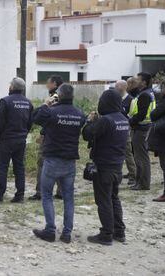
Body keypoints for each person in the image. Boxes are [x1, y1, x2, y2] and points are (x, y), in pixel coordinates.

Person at [32, 84, 86, 243]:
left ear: (59, 96)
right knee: (68, 198)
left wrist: (46, 104)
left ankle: (50, 230)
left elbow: (35, 118)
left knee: (47, 194)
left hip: (52, 159)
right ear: (73, 96)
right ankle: (67, 233)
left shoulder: (51, 112)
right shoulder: (79, 114)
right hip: (69, 161)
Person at [83, 89, 129, 246]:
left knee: (103, 200)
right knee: (113, 198)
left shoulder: (106, 120)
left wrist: (90, 121)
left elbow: (87, 134)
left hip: (104, 166)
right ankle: (119, 231)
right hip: (117, 164)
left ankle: (106, 234)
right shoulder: (123, 119)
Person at [0, 77, 33, 204]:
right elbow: (30, 123)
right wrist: (23, 134)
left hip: (6, 140)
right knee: (19, 167)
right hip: (21, 140)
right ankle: (20, 195)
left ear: (11, 87)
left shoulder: (5, 101)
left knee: (3, 167)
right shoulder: (28, 103)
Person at [29, 75, 63, 201]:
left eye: (48, 83)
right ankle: (61, 191)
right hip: (62, 136)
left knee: (43, 163)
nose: (46, 85)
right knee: (60, 162)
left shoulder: (53, 98)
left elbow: (41, 116)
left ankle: (41, 192)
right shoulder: (64, 97)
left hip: (50, 136)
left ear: (54, 84)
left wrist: (42, 107)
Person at [128, 72, 156, 191]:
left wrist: (130, 121)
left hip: (141, 128)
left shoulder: (144, 95)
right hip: (143, 127)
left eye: (138, 79)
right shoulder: (147, 93)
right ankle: (140, 182)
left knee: (141, 158)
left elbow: (141, 114)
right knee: (140, 157)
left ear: (144, 82)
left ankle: (143, 184)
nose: (136, 81)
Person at [115, 80, 136, 186]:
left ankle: (133, 175)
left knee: (128, 153)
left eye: (116, 86)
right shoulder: (116, 99)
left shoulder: (131, 100)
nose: (115, 88)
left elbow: (131, 116)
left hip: (125, 129)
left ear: (123, 87)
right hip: (115, 128)